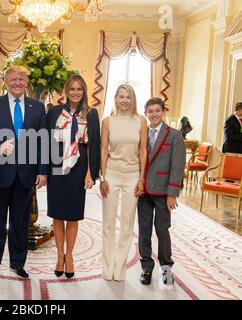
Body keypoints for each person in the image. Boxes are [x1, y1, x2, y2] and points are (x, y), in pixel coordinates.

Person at [0, 65, 48, 280]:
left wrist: (43, 171)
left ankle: (18, 262)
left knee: (20, 222)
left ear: (26, 82)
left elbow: (43, 140)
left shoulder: (37, 108)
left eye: (21, 79)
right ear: (6, 82)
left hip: (25, 175)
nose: (17, 83)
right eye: (13, 79)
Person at [46, 74, 100, 278]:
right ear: (66, 91)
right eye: (72, 89)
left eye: (79, 89)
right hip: (58, 164)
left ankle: (70, 256)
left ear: (84, 91)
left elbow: (93, 145)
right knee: (58, 214)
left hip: (79, 166)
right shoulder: (54, 112)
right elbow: (46, 141)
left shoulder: (91, 113)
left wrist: (90, 174)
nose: (75, 93)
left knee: (73, 215)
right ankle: (60, 256)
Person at [100, 84, 147, 281]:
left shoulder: (140, 121)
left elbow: (143, 150)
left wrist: (141, 179)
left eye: (128, 97)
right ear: (115, 98)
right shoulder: (108, 121)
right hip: (111, 173)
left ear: (133, 99)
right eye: (121, 97)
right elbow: (103, 149)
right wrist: (102, 177)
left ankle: (120, 267)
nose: (124, 100)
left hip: (132, 175)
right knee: (109, 223)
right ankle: (108, 267)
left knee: (127, 225)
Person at [138, 97, 186, 285]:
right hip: (144, 192)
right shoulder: (142, 133)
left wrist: (172, 193)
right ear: (146, 113)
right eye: (150, 111)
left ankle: (166, 268)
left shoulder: (174, 135)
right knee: (144, 230)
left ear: (163, 111)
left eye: (157, 110)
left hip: (163, 192)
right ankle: (146, 268)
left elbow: (177, 165)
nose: (154, 114)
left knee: (162, 229)